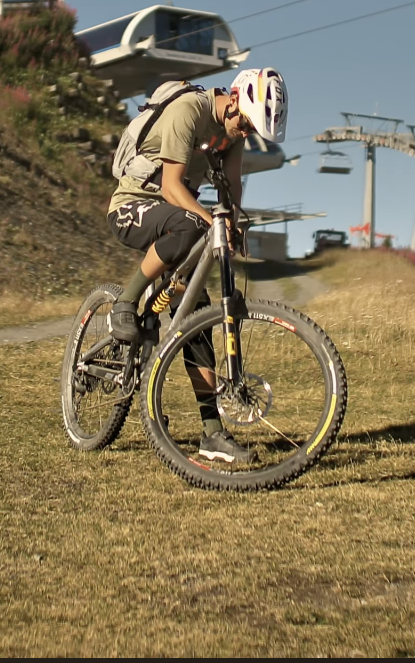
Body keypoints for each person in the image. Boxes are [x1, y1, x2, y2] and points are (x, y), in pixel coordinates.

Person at [105, 67, 288, 464]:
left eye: (254, 129)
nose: (246, 131)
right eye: (246, 122)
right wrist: (212, 223)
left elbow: (233, 190)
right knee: (190, 223)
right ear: (235, 99)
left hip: (177, 221)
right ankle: (126, 301)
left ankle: (211, 433)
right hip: (133, 207)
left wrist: (233, 226)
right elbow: (172, 188)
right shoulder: (189, 109)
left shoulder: (232, 136)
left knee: (198, 319)